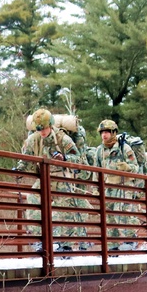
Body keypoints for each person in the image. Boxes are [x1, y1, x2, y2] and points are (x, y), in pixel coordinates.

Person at [18, 108, 90, 252]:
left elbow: (78, 159)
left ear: (50, 125)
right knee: (33, 200)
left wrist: (64, 158)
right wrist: (18, 169)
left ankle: (63, 243)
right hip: (44, 177)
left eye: (44, 128)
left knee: (62, 209)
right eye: (39, 129)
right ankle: (40, 239)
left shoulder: (63, 139)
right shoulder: (34, 139)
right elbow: (25, 159)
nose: (42, 132)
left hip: (61, 177)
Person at [93, 119, 140, 250]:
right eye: (102, 132)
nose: (104, 135)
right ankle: (112, 245)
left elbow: (136, 168)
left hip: (123, 186)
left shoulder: (124, 148)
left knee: (123, 213)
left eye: (107, 132)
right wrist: (96, 188)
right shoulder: (99, 150)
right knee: (108, 217)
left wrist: (127, 167)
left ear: (113, 133)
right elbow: (96, 170)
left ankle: (131, 240)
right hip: (107, 186)